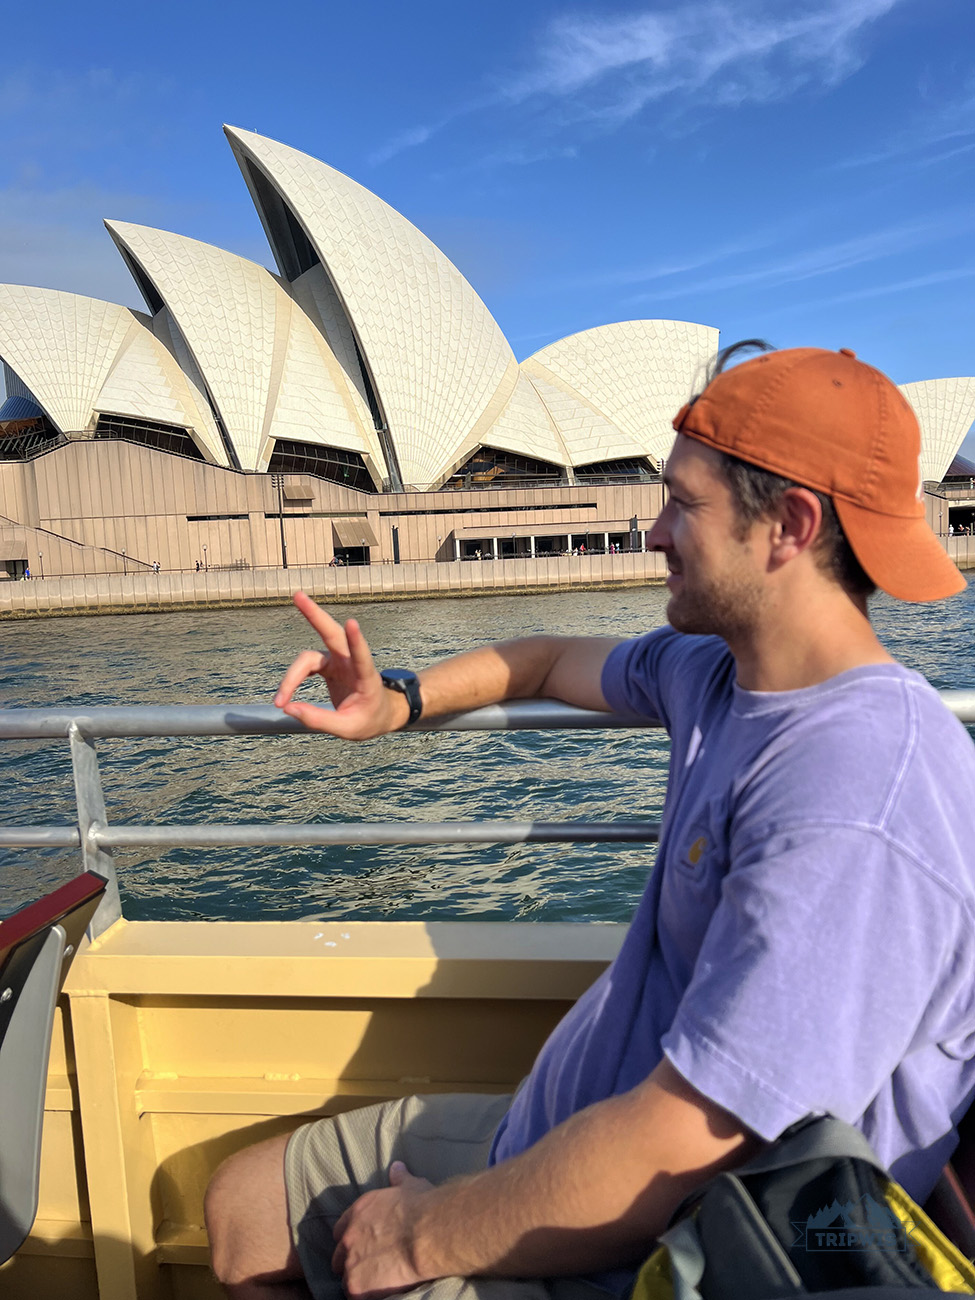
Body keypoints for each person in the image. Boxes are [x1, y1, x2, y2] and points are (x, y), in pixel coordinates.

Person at [205, 344, 975, 1300]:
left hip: (667, 1239)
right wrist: (395, 699)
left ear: (788, 524)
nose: (652, 533)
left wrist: (420, 1235)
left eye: (682, 504)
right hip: (570, 1131)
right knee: (246, 1208)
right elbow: (544, 657)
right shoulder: (718, 675)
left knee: (336, 1249)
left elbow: (687, 1141)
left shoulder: (858, 790)